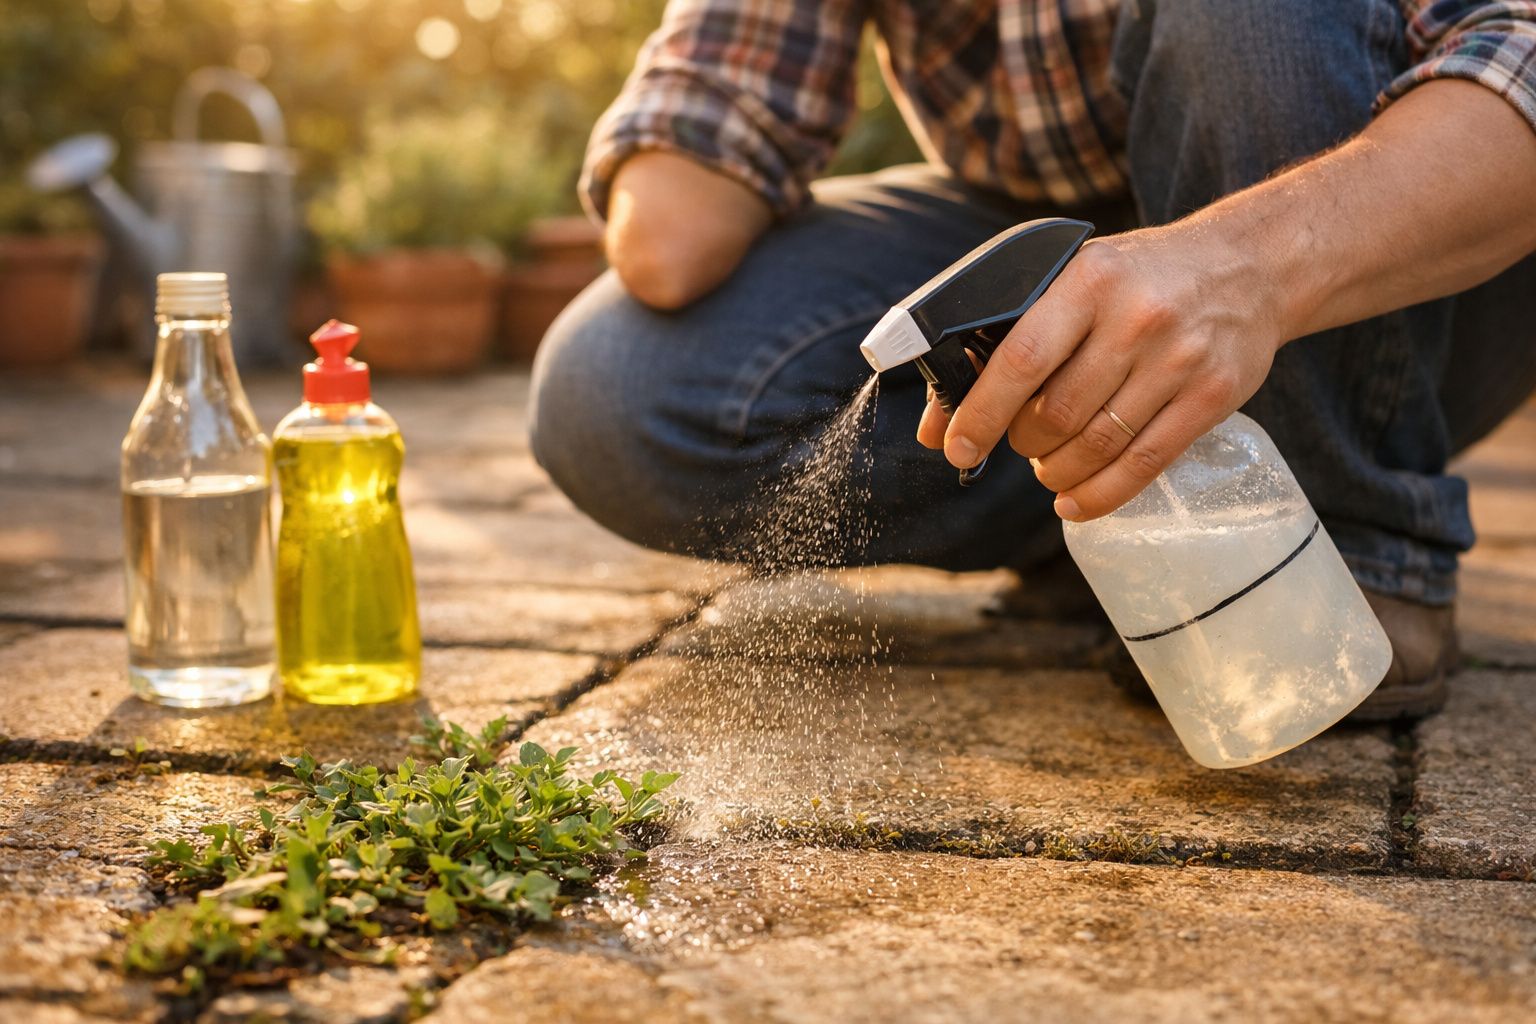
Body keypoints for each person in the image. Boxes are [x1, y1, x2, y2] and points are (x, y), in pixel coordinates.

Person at [530, 0, 1536, 721]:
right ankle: (1134, 518)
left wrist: (1245, 269)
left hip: (1385, 220)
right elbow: (672, 232)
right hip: (1048, 227)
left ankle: (1360, 538)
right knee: (619, 389)